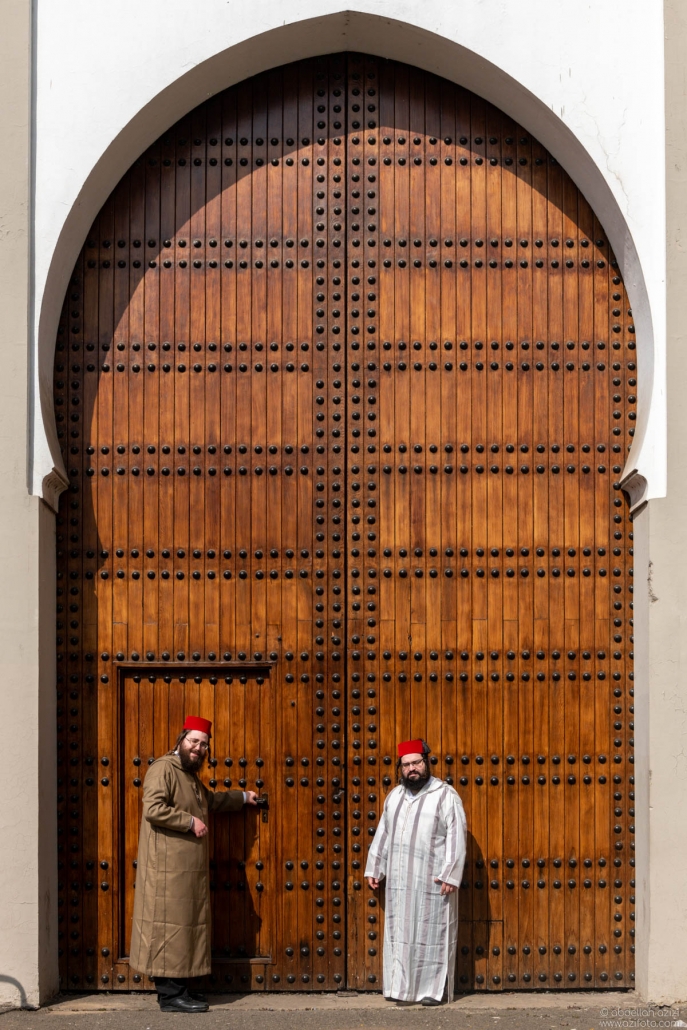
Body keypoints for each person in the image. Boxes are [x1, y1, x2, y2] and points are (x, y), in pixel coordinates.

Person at [130, 716, 258, 1013]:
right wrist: (188, 822)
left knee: (182, 928)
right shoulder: (164, 768)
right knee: (167, 929)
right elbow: (154, 809)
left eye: (204, 744)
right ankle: (170, 996)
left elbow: (207, 801)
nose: (199, 748)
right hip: (167, 869)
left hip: (183, 870)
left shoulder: (187, 775)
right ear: (181, 739)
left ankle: (180, 990)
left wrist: (242, 797)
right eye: (194, 741)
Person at [365, 738, 467, 1006]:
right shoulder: (395, 796)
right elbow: (383, 833)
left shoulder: (445, 794)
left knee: (430, 935)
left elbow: (457, 836)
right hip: (399, 880)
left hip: (432, 881)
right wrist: (375, 866)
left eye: (416, 763)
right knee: (400, 934)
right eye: (406, 764)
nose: (412, 769)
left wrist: (450, 873)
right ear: (400, 767)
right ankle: (399, 988)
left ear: (426, 763)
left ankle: (431, 991)